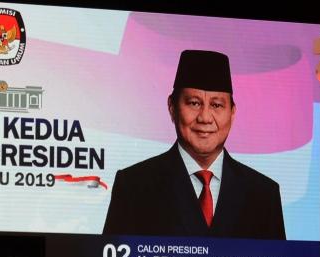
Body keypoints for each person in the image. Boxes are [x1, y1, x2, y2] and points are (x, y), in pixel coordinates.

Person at [103, 49, 285, 239]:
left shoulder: (263, 194)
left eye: (216, 105)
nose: (205, 118)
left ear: (232, 112)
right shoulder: (134, 186)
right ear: (172, 107)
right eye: (194, 103)